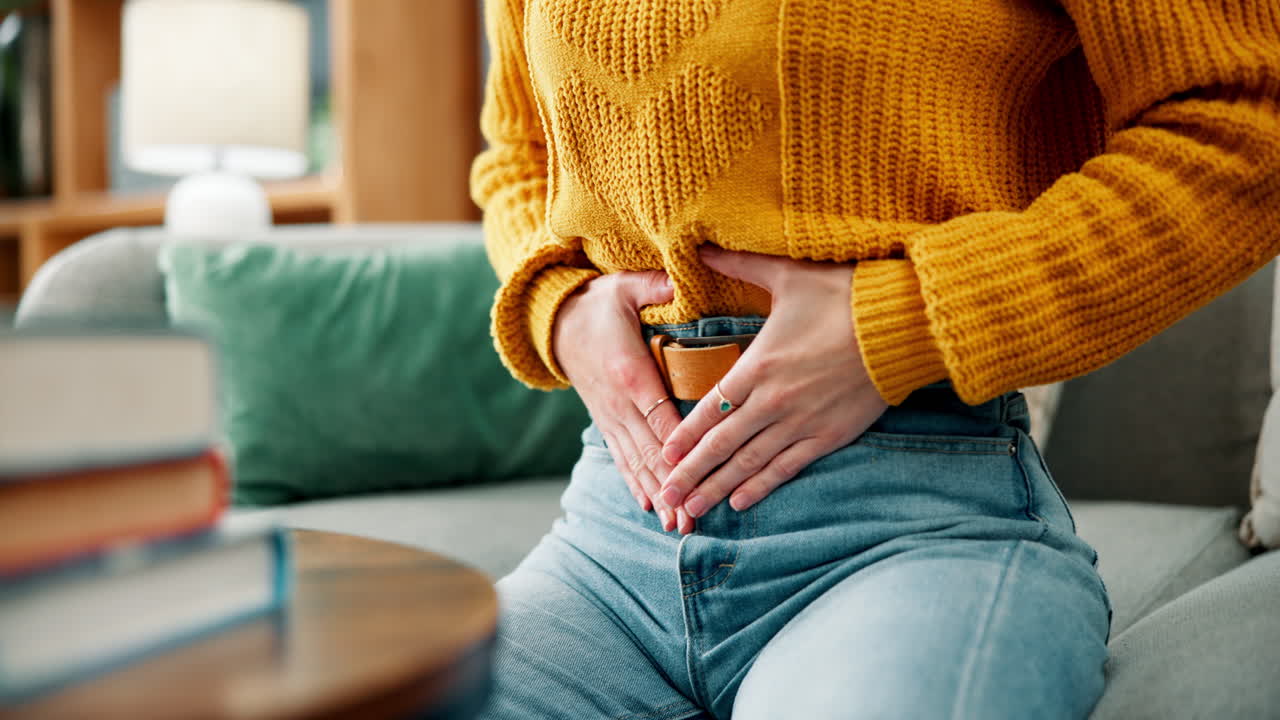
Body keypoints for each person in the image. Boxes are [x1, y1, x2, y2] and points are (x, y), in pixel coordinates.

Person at [469, 0, 1280, 717]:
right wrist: (559, 306)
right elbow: (517, 149)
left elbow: (1248, 121)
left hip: (916, 522)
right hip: (614, 533)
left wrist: (906, 322)